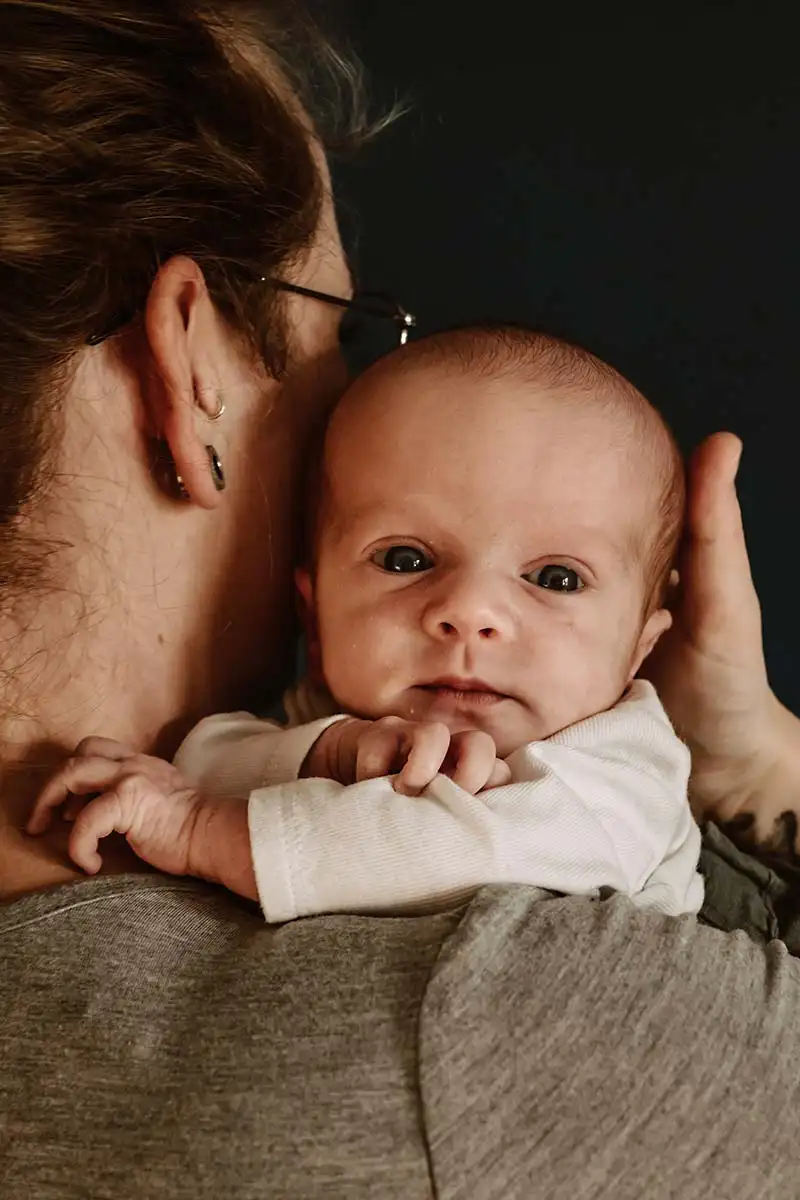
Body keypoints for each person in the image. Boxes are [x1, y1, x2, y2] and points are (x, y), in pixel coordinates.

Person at [3, 3, 800, 1197]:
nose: (469, 615)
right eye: (347, 334)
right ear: (192, 363)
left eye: (554, 577)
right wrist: (767, 774)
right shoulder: (494, 1033)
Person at [28, 326, 703, 922]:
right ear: (313, 613)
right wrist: (326, 752)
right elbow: (205, 757)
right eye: (406, 559)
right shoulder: (336, 714)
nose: (468, 612)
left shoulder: (622, 768)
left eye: (555, 578)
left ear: (640, 648)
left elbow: (473, 852)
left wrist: (203, 829)